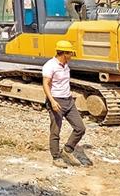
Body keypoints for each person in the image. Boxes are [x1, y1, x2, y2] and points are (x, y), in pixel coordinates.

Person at [42, 40, 87, 168]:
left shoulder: (66, 65)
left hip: (68, 100)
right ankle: (56, 157)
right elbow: (45, 84)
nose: (72, 56)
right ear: (64, 53)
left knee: (80, 128)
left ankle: (67, 150)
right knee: (55, 131)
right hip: (56, 101)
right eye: (70, 53)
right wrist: (52, 101)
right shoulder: (50, 65)